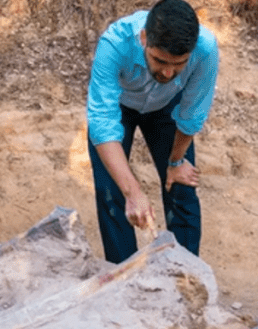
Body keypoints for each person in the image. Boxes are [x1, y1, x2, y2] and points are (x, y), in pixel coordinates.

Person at [87, 0, 219, 263]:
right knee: (113, 191)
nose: (168, 72)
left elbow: (191, 115)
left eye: (179, 64)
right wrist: (133, 192)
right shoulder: (115, 43)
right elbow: (102, 122)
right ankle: (123, 276)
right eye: (159, 60)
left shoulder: (205, 49)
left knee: (182, 186)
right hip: (120, 106)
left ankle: (187, 276)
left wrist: (175, 161)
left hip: (167, 106)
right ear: (144, 38)